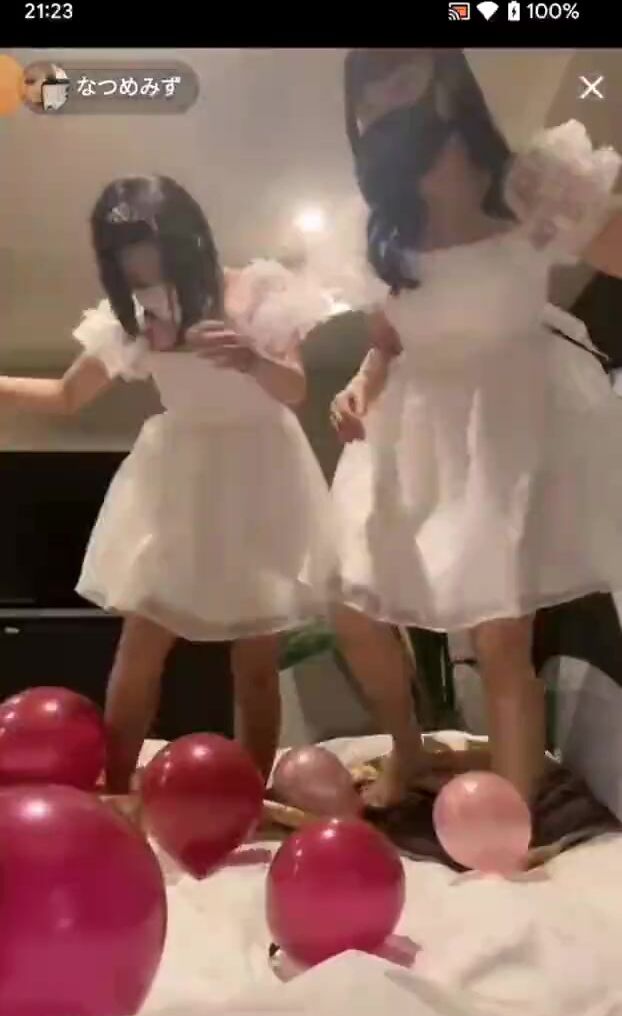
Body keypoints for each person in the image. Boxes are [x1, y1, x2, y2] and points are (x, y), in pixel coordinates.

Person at [329, 48, 622, 808]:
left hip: (506, 423)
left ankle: (512, 821)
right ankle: (408, 752)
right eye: (366, 89)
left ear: (442, 71)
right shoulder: (382, 222)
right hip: (412, 427)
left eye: (395, 71)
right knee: (349, 604)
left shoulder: (530, 184)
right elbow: (387, 337)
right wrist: (360, 384)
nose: (381, 97)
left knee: (499, 637)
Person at [0, 176, 333, 791]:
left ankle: (248, 796)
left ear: (182, 233)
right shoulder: (131, 316)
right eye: (119, 248)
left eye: (141, 241)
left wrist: (249, 357)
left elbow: (294, 388)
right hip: (180, 476)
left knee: (256, 658)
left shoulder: (257, 289)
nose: (135, 261)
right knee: (141, 646)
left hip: (262, 473)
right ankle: (117, 792)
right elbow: (66, 395)